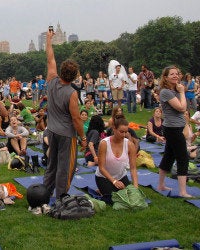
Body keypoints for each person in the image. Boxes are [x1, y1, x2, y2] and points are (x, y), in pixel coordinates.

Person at [42, 27, 86, 198]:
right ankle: (61, 196)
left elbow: (50, 57)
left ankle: (46, 191)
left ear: (61, 71)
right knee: (65, 166)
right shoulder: (72, 93)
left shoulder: (51, 80)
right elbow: (76, 119)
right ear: (75, 76)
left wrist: (48, 39)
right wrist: (83, 137)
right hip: (67, 135)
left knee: (52, 164)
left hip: (52, 130)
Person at [157, 66, 192, 198]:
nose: (175, 76)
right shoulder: (165, 92)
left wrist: (180, 91)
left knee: (169, 156)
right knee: (182, 158)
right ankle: (183, 191)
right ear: (165, 77)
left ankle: (161, 185)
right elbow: (182, 108)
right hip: (172, 129)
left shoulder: (175, 89)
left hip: (176, 127)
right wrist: (182, 92)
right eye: (172, 74)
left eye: (177, 74)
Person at [95, 117, 139, 204]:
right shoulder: (104, 143)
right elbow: (101, 168)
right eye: (121, 132)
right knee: (114, 200)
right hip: (104, 177)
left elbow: (133, 168)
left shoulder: (130, 145)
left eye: (126, 132)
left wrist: (135, 186)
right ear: (114, 129)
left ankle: (106, 189)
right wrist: (114, 181)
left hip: (121, 176)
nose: (124, 135)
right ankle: (102, 190)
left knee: (130, 197)